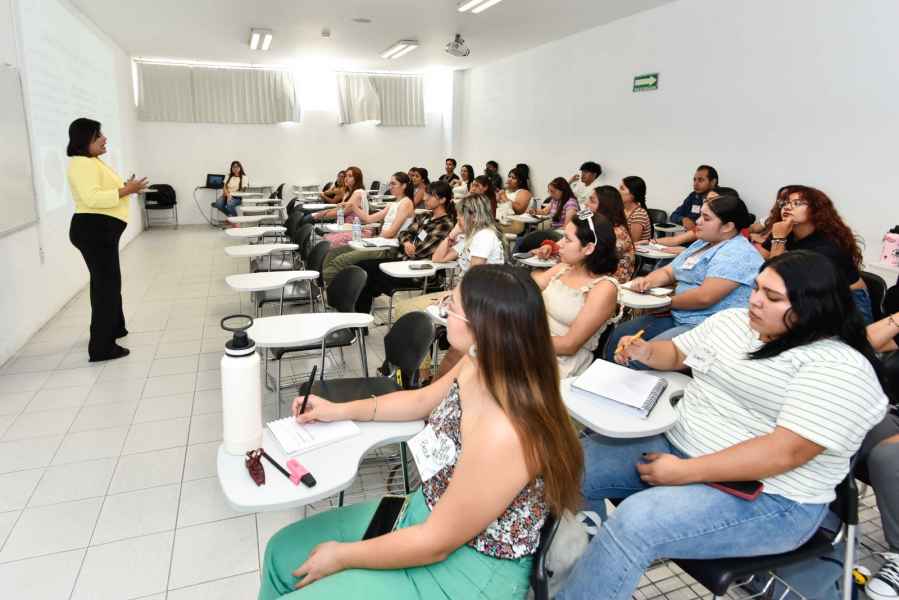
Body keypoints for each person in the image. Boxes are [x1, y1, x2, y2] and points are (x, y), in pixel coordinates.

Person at [558, 251, 889, 600]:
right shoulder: (733, 323)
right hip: (679, 446)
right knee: (563, 467)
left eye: (772, 297)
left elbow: (785, 453)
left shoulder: (839, 368)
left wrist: (685, 472)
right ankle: (579, 570)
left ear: (814, 307)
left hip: (772, 497)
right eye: (756, 288)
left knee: (635, 523)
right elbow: (678, 354)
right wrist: (647, 352)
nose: (755, 301)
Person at [260, 265, 585, 600]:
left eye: (451, 306)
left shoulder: (506, 432)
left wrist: (341, 556)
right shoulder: (479, 360)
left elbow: (435, 543)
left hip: (466, 571)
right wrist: (338, 410)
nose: (443, 309)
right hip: (425, 514)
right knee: (281, 552)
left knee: (307, 571)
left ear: (480, 327)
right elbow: (421, 401)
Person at [604, 194, 762, 365]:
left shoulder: (738, 253)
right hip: (679, 315)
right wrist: (647, 281)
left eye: (706, 218)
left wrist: (665, 302)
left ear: (727, 226)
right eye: (700, 215)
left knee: (638, 357)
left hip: (703, 326)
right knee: (620, 335)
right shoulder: (703, 243)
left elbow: (704, 297)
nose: (698, 221)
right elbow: (670, 271)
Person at [393, 194, 508, 377]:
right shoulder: (470, 236)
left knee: (408, 311)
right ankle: (421, 372)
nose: (458, 219)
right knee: (404, 309)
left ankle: (422, 374)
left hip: (478, 299)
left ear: (473, 216)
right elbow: (437, 258)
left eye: (461, 215)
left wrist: (453, 296)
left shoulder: (484, 236)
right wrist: (452, 234)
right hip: (466, 293)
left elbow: (474, 277)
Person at [66, 118, 147, 362]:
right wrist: (127, 190)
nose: (104, 138)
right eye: (98, 135)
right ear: (85, 139)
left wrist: (126, 186)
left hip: (99, 231)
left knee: (107, 284)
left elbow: (103, 192)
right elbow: (92, 198)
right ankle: (101, 348)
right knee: (106, 287)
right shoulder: (81, 163)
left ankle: (114, 328)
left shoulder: (92, 162)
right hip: (94, 231)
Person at [757, 185, 873, 323]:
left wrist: (778, 240)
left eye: (797, 203)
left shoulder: (827, 246)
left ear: (815, 210)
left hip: (847, 302)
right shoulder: (785, 230)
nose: (787, 207)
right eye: (785, 203)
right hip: (810, 296)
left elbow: (775, 279)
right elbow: (758, 259)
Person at [532, 213, 622, 378]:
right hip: (536, 345)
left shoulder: (603, 288)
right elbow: (528, 287)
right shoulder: (564, 269)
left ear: (588, 248)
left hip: (560, 362)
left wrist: (521, 340)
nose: (560, 244)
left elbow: (569, 345)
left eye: (567, 239)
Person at [354, 181, 457, 314]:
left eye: (430, 195)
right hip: (402, 261)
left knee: (368, 276)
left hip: (418, 273)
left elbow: (420, 251)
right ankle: (358, 316)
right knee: (361, 267)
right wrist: (407, 243)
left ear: (442, 200)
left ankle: (360, 317)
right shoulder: (425, 216)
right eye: (426, 194)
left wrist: (408, 245)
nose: (424, 198)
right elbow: (403, 233)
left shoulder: (445, 224)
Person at [322, 172, 416, 284]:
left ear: (404, 185)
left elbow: (391, 232)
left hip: (388, 248)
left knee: (341, 260)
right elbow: (368, 219)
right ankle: (324, 284)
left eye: (393, 184)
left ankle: (328, 286)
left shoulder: (406, 203)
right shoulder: (393, 204)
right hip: (380, 242)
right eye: (390, 183)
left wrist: (376, 237)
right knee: (335, 252)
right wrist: (353, 206)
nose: (390, 187)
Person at [652, 187, 739, 254]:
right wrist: (652, 242)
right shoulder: (705, 231)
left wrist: (688, 252)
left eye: (712, 201)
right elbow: (675, 240)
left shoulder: (737, 246)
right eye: (706, 200)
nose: (697, 221)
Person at [669, 165, 718, 230]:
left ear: (713, 182)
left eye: (700, 180)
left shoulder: (721, 199)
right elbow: (674, 215)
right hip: (691, 234)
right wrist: (683, 219)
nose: (695, 184)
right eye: (694, 180)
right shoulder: (693, 196)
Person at [496, 167, 533, 234]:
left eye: (513, 178)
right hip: (501, 219)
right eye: (509, 176)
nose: (509, 179)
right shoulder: (505, 191)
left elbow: (519, 210)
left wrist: (504, 198)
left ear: (520, 181)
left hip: (515, 223)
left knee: (486, 228)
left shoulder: (524, 192)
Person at [620, 176, 651, 243]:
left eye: (622, 188)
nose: (618, 191)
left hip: (635, 248)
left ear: (633, 194)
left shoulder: (639, 214)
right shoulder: (622, 209)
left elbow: (633, 242)